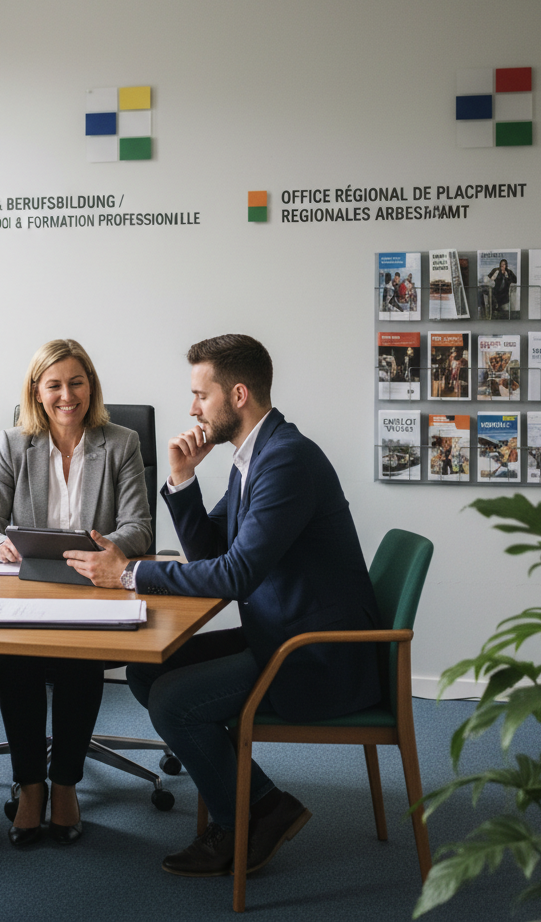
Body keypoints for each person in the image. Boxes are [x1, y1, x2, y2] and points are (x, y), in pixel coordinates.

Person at [63, 334, 380, 877]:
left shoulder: (285, 461)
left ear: (237, 395)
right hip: (282, 628)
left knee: (172, 702)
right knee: (147, 669)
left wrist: (130, 574)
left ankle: (248, 820)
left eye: (199, 395)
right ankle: (260, 802)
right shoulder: (252, 455)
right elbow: (213, 551)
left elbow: (235, 576)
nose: (192, 408)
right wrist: (184, 479)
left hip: (317, 653)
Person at [0, 339, 151, 848]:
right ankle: (30, 786)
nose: (67, 395)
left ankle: (64, 783)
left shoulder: (122, 443)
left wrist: (107, 548)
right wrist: (1, 546)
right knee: (17, 658)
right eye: (55, 385)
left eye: (76, 382)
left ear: (90, 386)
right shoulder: (13, 445)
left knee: (78, 658)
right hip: (28, 582)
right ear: (37, 393)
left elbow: (140, 526)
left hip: (93, 586)